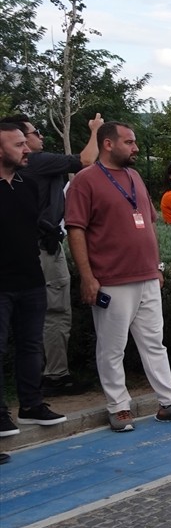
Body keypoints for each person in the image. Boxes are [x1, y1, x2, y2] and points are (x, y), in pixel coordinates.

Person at [65, 122, 171, 432]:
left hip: (146, 276)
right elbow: (76, 229)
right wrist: (87, 277)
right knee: (112, 346)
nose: (136, 148)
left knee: (154, 343)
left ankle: (169, 401)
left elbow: (150, 224)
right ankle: (118, 406)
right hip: (111, 279)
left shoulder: (134, 177)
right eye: (129, 142)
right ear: (108, 144)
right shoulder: (85, 181)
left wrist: (156, 267)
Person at [0, 112, 101, 398]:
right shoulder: (38, 162)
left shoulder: (21, 175)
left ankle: (36, 387)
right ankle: (55, 375)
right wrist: (95, 131)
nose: (38, 138)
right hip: (42, 251)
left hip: (31, 254)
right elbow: (86, 160)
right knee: (55, 313)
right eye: (33, 133)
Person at [0, 122, 66, 440]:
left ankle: (31, 405)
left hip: (31, 281)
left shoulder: (27, 184)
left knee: (31, 346)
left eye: (26, 143)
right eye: (17, 145)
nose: (26, 149)